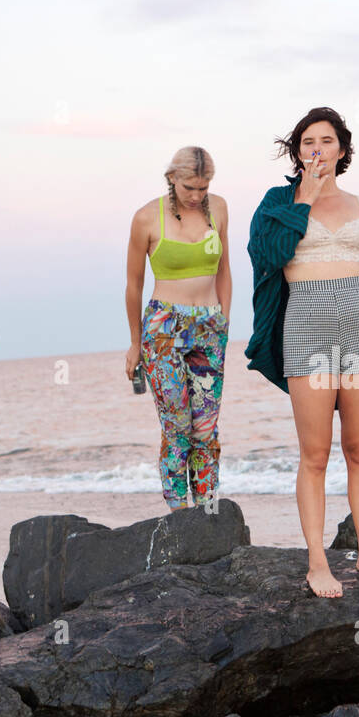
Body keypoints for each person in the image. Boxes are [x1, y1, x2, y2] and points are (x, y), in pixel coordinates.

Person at [245, 106, 359, 598]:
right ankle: (317, 562)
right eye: (307, 142)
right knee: (314, 454)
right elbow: (269, 256)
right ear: (297, 153)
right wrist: (306, 198)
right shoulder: (277, 202)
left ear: (342, 150)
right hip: (306, 328)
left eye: (326, 141)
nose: (316, 149)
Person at [125, 147, 232, 510]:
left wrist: (224, 320)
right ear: (172, 178)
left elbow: (224, 270)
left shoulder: (219, 209)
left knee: (206, 428)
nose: (196, 196)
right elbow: (133, 286)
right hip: (163, 329)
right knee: (177, 426)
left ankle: (208, 509)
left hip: (210, 326)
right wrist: (135, 344)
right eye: (189, 187)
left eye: (203, 187)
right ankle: (178, 512)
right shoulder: (146, 218)